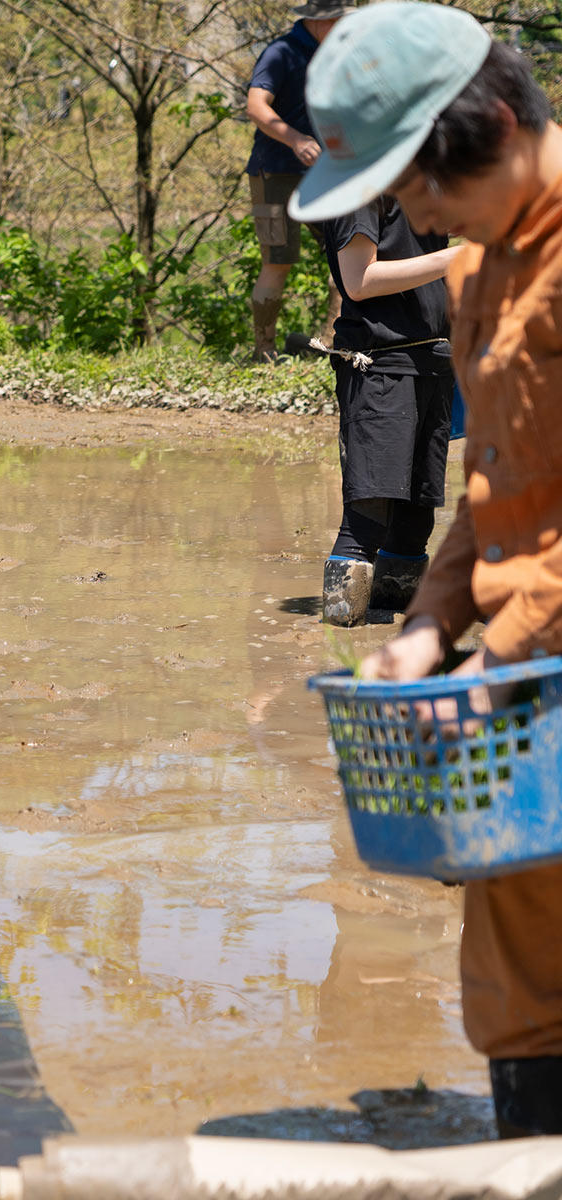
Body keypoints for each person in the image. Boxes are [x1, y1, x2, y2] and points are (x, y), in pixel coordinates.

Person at [290, 0, 562, 1137]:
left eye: (412, 188)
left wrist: (500, 656)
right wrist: (430, 627)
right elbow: (500, 480)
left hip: (530, 662)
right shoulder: (489, 268)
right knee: (523, 969)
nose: (413, 219)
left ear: (481, 129)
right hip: (527, 684)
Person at [314, 195, 459, 625]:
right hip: (381, 364)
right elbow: (359, 280)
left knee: (416, 519)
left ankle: (395, 630)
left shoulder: (422, 184)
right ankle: (340, 637)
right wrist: (455, 258)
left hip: (433, 360)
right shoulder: (360, 188)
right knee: (369, 513)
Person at [245, 0, 351, 362]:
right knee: (278, 262)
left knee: (347, 254)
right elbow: (256, 105)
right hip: (275, 171)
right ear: (318, 21)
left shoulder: (336, 54)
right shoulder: (281, 52)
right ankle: (264, 352)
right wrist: (295, 139)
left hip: (325, 173)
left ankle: (335, 345)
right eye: (337, 20)